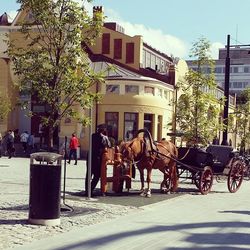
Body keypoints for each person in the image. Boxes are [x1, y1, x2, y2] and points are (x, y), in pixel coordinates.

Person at [85, 124, 111, 196]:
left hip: (90, 156)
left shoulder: (92, 136)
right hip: (97, 157)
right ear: (103, 130)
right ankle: (90, 189)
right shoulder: (104, 137)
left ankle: (87, 190)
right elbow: (108, 146)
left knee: (88, 174)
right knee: (97, 175)